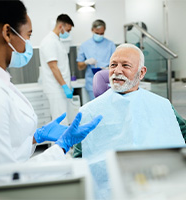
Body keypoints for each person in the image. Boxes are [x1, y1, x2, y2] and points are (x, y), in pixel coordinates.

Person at [0, 0, 102, 166]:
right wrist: (61, 148)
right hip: (56, 89)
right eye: (28, 35)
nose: (28, 43)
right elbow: (4, 176)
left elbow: (10, 146)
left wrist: (35, 137)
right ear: (7, 33)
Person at [74, 43, 186, 199]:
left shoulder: (162, 105)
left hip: (159, 184)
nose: (117, 71)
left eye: (125, 65)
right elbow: (79, 155)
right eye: (113, 65)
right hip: (110, 190)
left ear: (141, 73)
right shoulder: (89, 111)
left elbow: (183, 133)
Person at [39, 14, 74, 125]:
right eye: (67, 30)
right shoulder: (49, 42)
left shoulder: (56, 41)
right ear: (61, 26)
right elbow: (53, 67)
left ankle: (64, 142)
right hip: (56, 89)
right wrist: (64, 86)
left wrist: (67, 85)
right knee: (60, 121)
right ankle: (59, 143)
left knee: (64, 120)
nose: (68, 33)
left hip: (60, 89)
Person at [76, 19, 116, 100]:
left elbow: (118, 62)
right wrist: (86, 62)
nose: (99, 35)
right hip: (92, 83)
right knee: (96, 109)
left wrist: (109, 68)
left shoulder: (110, 45)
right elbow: (79, 66)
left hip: (108, 82)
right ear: (92, 30)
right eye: (97, 33)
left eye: (102, 33)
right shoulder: (85, 45)